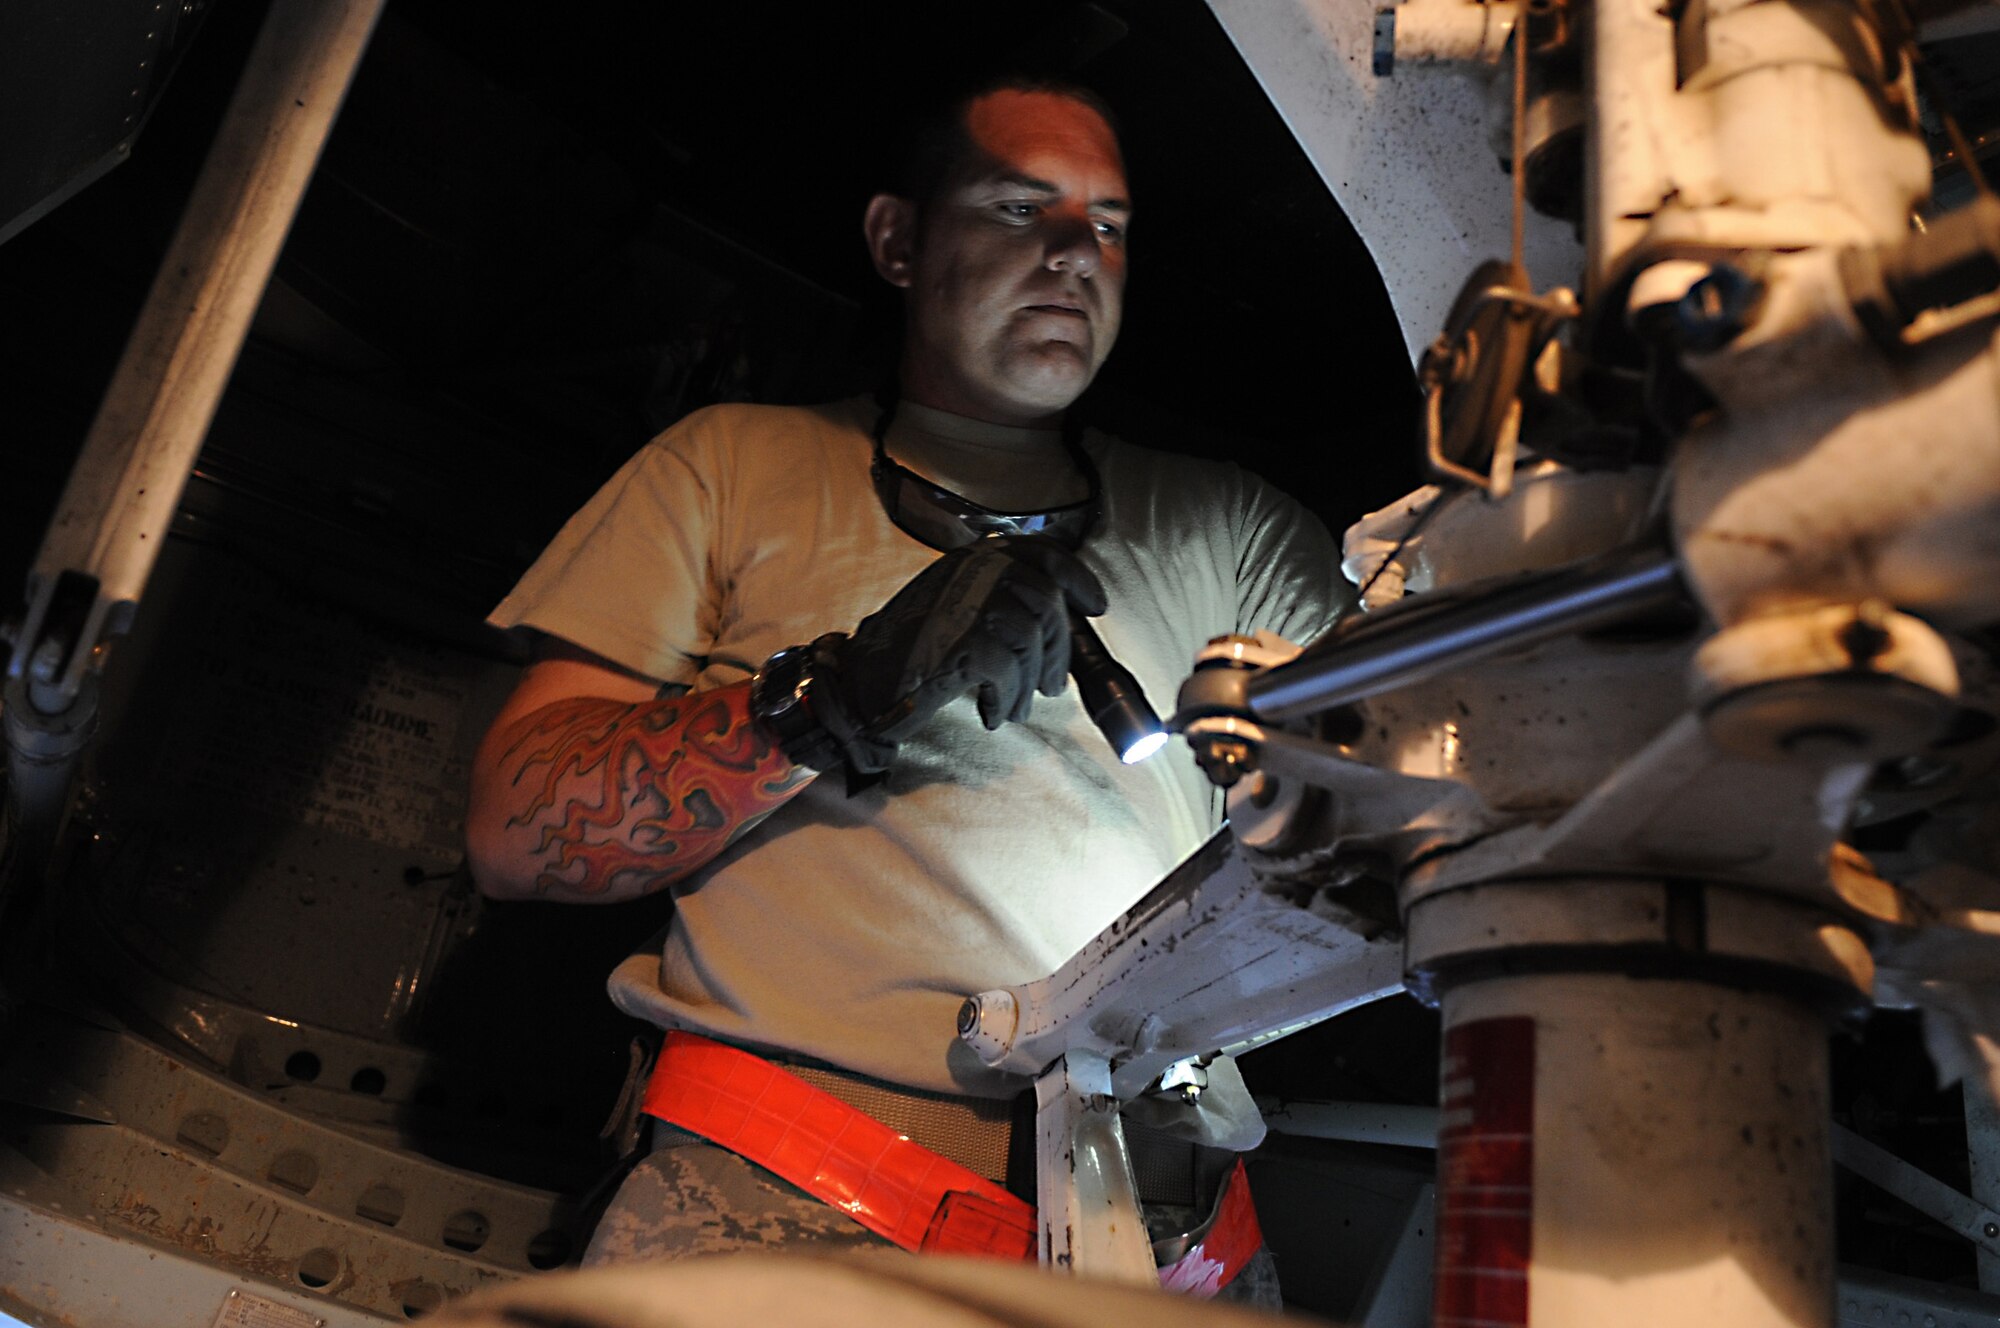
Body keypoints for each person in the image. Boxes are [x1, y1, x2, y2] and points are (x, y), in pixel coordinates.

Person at [464, 77, 1345, 1286]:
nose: (1072, 253)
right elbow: (513, 828)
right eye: (1016, 207)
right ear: (896, 240)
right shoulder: (733, 466)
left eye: (1106, 225)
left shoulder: (1231, 530)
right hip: (799, 1216)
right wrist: (838, 691)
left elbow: (1422, 757)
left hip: (1169, 1254)